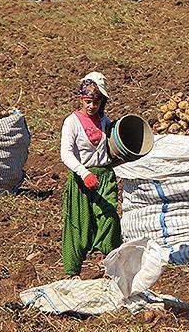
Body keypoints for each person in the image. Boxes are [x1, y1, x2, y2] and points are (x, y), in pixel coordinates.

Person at [59, 72, 121, 277]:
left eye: (96, 102)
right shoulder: (72, 122)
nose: (91, 106)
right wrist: (84, 173)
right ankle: (72, 272)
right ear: (80, 99)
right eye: (88, 101)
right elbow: (66, 153)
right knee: (79, 224)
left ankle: (111, 267)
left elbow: (112, 148)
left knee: (110, 219)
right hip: (81, 180)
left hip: (104, 177)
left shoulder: (104, 120)